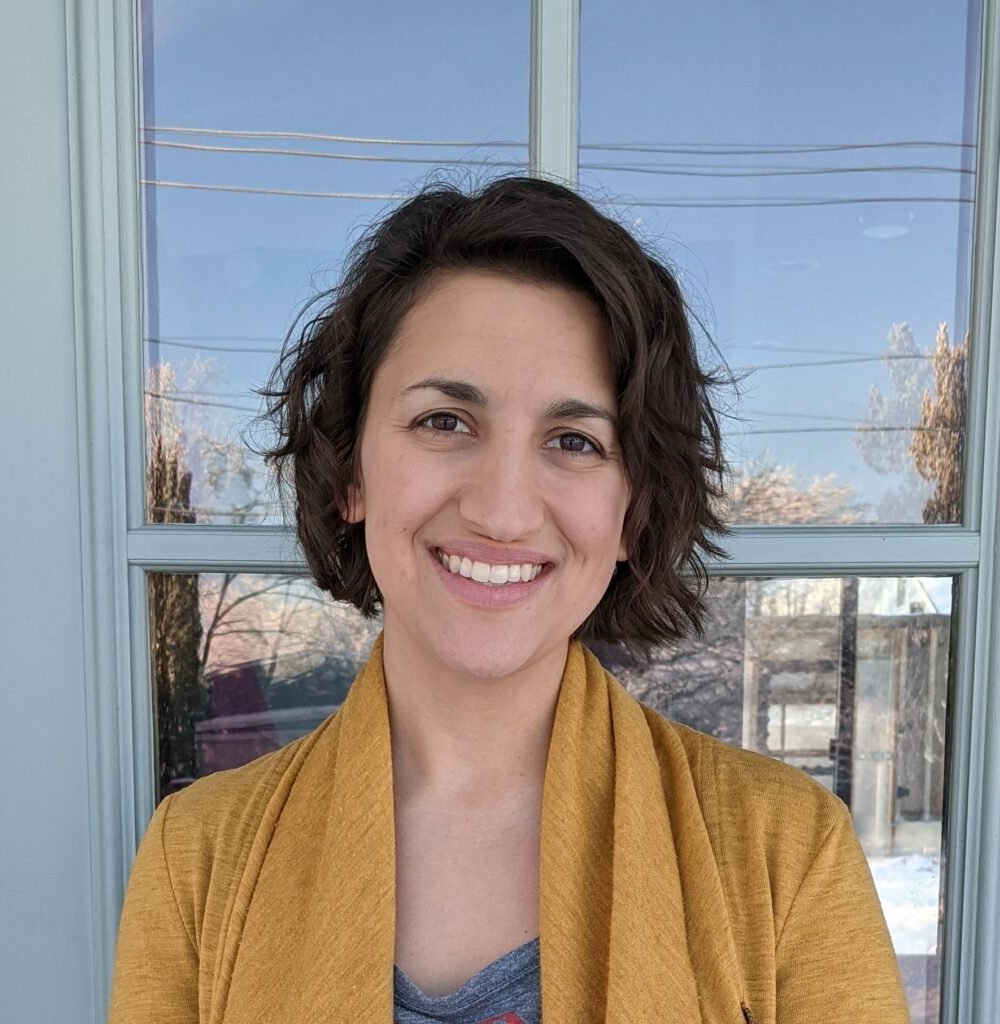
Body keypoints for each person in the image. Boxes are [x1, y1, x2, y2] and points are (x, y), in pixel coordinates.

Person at [108, 175, 910, 1024]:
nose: (500, 509)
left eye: (575, 441)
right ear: (349, 470)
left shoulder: (785, 856)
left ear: (633, 511)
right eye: (444, 421)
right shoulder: (194, 861)